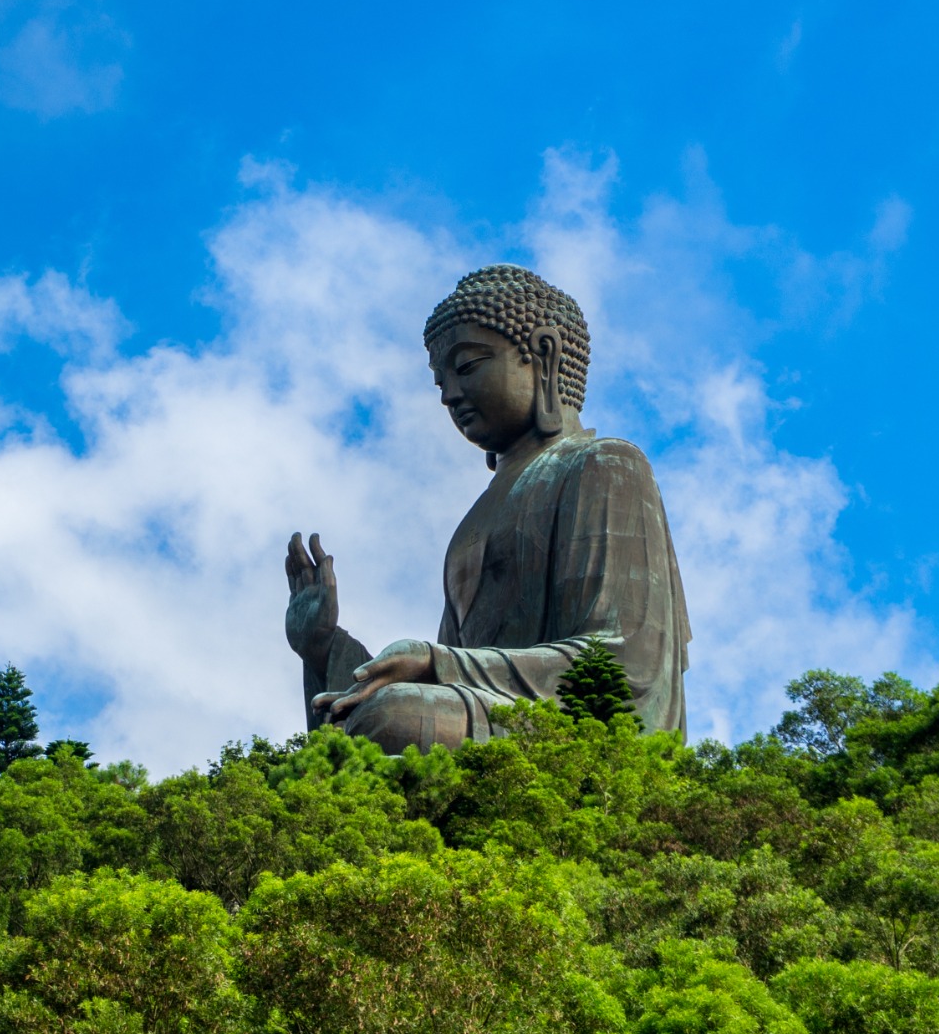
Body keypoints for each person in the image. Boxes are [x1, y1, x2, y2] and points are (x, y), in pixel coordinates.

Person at [284, 263, 688, 749]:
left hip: (575, 728)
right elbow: (445, 685)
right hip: (494, 715)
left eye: (468, 366)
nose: (450, 396)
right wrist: (323, 647)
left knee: (391, 716)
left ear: (543, 353)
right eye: (440, 383)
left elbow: (623, 666)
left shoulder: (605, 465)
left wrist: (438, 663)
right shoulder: (473, 523)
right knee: (366, 718)